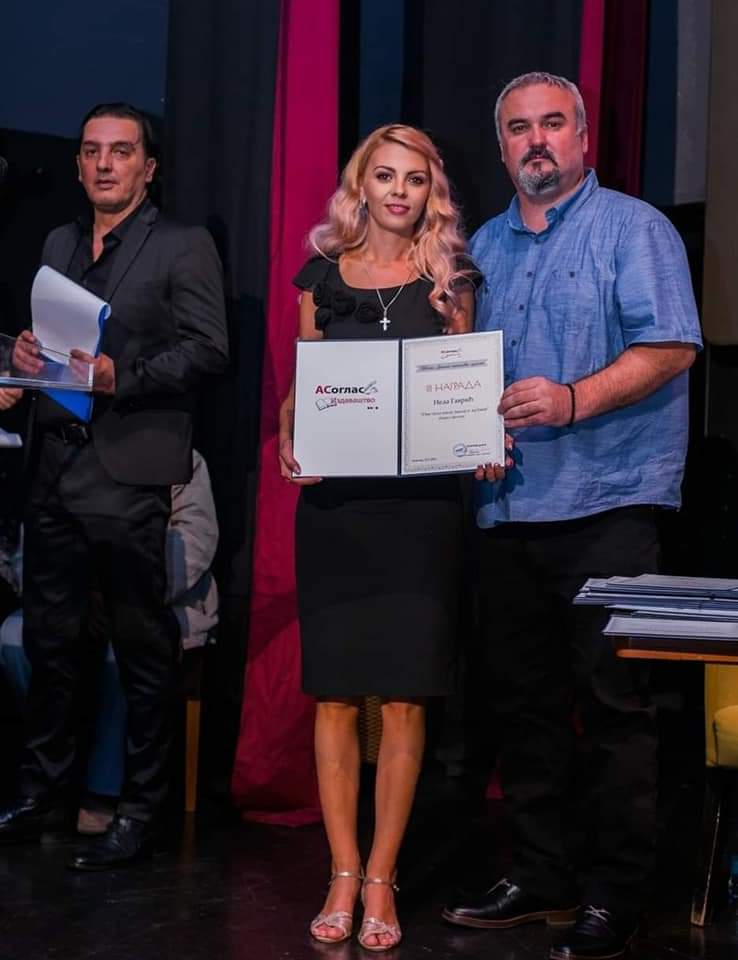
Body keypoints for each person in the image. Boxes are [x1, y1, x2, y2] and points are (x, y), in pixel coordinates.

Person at [442, 73, 702, 960]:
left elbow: (672, 347)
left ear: (584, 138)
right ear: (502, 147)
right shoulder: (482, 246)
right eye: (519, 128)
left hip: (609, 504)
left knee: (616, 707)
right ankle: (542, 875)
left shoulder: (635, 228)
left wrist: (573, 399)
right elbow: (465, 375)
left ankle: (616, 894)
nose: (537, 140)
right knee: (525, 709)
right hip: (507, 508)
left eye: (553, 123)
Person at [279, 124, 503, 952]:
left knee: (406, 698)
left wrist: (480, 429)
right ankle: (341, 871)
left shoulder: (452, 280)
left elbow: (465, 388)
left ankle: (381, 876)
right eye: (385, 176)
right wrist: (291, 438)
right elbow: (301, 388)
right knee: (336, 696)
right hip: (337, 514)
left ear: (430, 192)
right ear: (361, 187)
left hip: (420, 517)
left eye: (414, 178)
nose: (399, 191)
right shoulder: (319, 277)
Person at [0, 102, 228, 870]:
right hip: (54, 468)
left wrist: (116, 376)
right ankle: (44, 793)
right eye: (92, 151)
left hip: (128, 471)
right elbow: (52, 347)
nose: (104, 163)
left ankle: (141, 810)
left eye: (121, 151)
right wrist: (28, 357)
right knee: (51, 644)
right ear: (77, 165)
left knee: (141, 649)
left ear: (147, 167)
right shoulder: (58, 243)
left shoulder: (182, 244)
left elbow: (209, 349)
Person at [0, 449, 219, 834]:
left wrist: (122, 592)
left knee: (126, 648)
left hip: (155, 599)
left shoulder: (175, 455)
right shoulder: (61, 456)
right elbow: (32, 543)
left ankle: (104, 789)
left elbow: (194, 542)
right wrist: (73, 596)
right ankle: (51, 779)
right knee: (14, 638)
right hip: (72, 600)